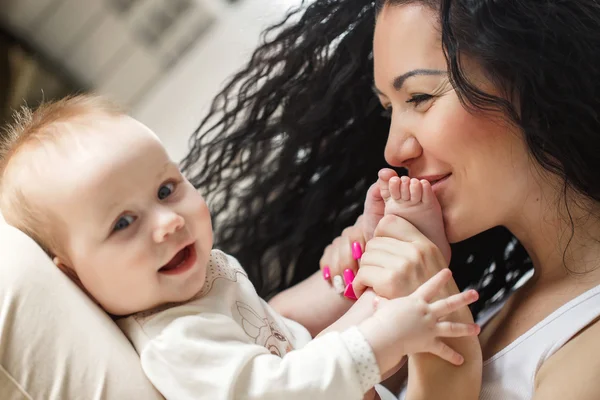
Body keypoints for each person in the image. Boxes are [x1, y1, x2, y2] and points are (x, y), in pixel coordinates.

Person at [181, 0, 600, 399]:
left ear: (536, 75)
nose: (394, 151)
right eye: (389, 110)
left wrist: (442, 376)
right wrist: (352, 292)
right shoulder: (501, 303)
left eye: (419, 97)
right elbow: (268, 378)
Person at [0, 95, 480, 400]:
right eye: (123, 223)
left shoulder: (200, 276)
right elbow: (282, 390)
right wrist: (386, 335)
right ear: (74, 275)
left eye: (167, 189)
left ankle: (401, 257)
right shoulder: (177, 344)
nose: (167, 223)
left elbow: (286, 332)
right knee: (446, 364)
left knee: (389, 310)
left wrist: (366, 261)